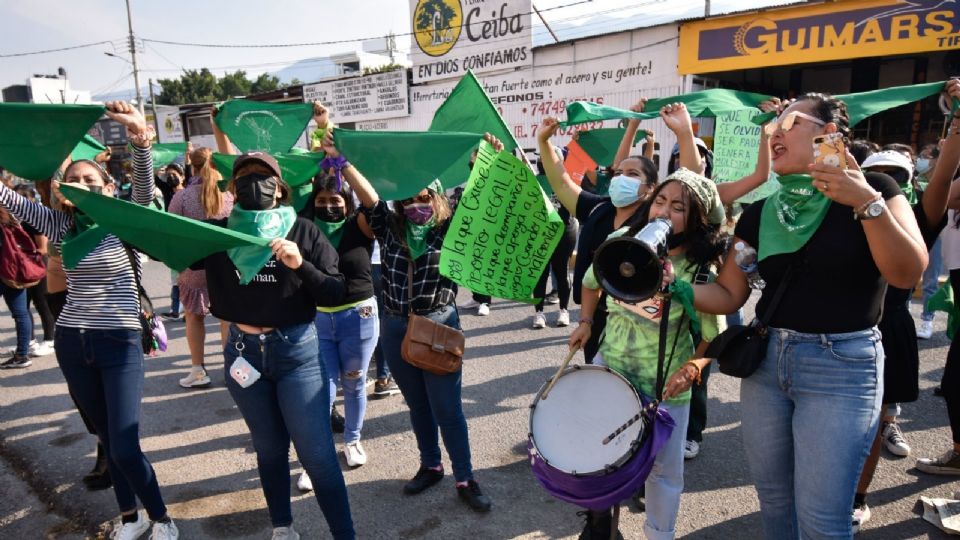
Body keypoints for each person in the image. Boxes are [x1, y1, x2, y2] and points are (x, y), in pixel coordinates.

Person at [691, 92, 926, 538]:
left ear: (828, 135)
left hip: (843, 367)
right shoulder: (761, 214)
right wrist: (671, 286)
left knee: (823, 521)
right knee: (776, 506)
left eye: (789, 123)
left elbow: (907, 271)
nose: (775, 133)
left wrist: (865, 201)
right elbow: (727, 293)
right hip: (767, 367)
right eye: (772, 127)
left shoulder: (879, 189)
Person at [0, 101, 179, 539]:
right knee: (104, 439)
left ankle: (161, 518)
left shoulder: (126, 220)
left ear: (106, 185)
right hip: (72, 343)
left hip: (120, 341)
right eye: (74, 180)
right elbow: (7, 199)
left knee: (124, 442)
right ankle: (131, 519)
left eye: (89, 179)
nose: (81, 184)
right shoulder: (61, 225)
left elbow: (142, 186)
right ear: (64, 188)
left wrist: (139, 135)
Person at [320, 131, 494, 513]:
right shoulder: (390, 226)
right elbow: (368, 197)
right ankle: (430, 465)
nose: (417, 204)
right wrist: (341, 161)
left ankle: (465, 477)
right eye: (410, 198)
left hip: (439, 325)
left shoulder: (450, 231)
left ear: (437, 199)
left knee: (448, 408)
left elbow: (481, 199)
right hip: (397, 327)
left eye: (424, 197)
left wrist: (484, 161)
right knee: (417, 405)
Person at [193, 151, 354, 539]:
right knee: (268, 450)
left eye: (263, 176)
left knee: (316, 455)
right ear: (233, 189)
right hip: (243, 354)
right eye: (244, 176)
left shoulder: (302, 230)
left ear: (279, 187)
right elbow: (153, 236)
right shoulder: (218, 235)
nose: (254, 182)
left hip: (297, 352)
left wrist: (301, 265)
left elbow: (335, 290)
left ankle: (345, 535)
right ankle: (282, 527)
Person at [568, 164, 727, 540]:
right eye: (661, 201)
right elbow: (591, 281)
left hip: (667, 386)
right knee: (600, 456)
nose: (664, 212)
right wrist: (587, 321)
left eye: (679, 207)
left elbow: (713, 336)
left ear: (696, 219)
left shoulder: (699, 269)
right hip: (611, 370)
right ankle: (601, 528)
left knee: (664, 473)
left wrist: (694, 365)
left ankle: (659, 534)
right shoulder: (624, 239)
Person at [853, 123, 956, 529]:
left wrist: (958, 126)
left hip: (889, 328)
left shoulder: (916, 217)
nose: (887, 183)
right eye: (877, 174)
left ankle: (857, 497)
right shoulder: (848, 211)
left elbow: (945, 176)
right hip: (848, 323)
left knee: (874, 423)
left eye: (897, 177)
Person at [296, 173, 379, 494]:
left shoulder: (359, 225)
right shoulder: (304, 227)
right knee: (322, 392)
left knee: (355, 381)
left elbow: (372, 203)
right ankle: (314, 460)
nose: (328, 206)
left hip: (359, 317)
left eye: (335, 201)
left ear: (347, 204)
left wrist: (345, 164)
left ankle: (353, 441)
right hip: (316, 321)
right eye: (321, 201)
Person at [168, 147, 233, 389]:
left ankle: (198, 371)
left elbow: (171, 230)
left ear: (192, 167)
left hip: (193, 267)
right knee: (227, 318)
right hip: (225, 266)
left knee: (194, 317)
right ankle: (230, 369)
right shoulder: (229, 196)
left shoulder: (181, 197)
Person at [0, 206, 37, 369]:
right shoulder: (10, 219)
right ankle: (22, 355)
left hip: (3, 272)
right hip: (14, 272)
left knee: (20, 314)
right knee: (21, 313)